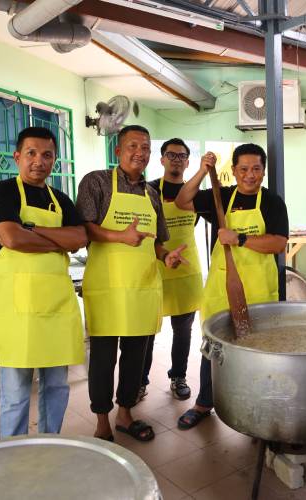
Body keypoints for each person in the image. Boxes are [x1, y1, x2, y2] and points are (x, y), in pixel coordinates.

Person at [76, 125, 188, 442]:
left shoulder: (151, 194)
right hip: (107, 287)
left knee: (135, 356)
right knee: (102, 357)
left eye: (146, 147)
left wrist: (166, 256)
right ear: (118, 151)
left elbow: (154, 243)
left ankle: (125, 414)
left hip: (141, 286)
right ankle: (101, 420)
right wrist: (119, 237)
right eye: (133, 146)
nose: (140, 152)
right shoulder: (96, 182)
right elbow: (85, 228)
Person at [173, 143, 289, 429]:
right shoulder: (221, 197)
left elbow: (278, 243)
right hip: (221, 287)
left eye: (256, 169)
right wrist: (203, 170)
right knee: (213, 345)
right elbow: (182, 201)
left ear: (263, 171)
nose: (250, 175)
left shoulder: (272, 202)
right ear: (234, 171)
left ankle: (257, 406)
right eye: (244, 169)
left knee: (258, 349)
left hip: (259, 289)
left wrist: (240, 239)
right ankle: (204, 403)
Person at [0, 126, 87, 437]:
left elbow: (80, 238)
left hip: (56, 304)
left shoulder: (61, 199)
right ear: (18, 156)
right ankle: (12, 451)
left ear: (55, 160)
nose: (39, 161)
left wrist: (32, 229)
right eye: (31, 153)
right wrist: (57, 240)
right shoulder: (1, 192)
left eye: (47, 155)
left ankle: (49, 442)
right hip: (18, 309)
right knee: (15, 391)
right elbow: (11, 238)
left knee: (56, 385)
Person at [139, 139, 204, 401]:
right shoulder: (148, 190)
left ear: (188, 162)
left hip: (186, 270)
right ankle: (140, 381)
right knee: (146, 330)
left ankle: (178, 377)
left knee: (183, 329)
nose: (176, 159)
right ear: (162, 159)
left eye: (181, 156)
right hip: (153, 268)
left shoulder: (195, 193)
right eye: (171, 155)